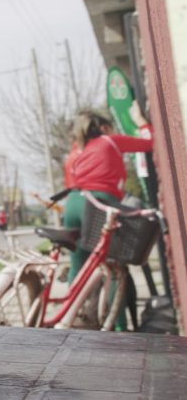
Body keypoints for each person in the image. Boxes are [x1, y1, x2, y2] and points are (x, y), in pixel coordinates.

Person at [62, 102, 154, 280]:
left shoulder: (78, 151)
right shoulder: (109, 140)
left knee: (77, 262)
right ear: (104, 128)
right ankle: (116, 309)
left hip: (73, 202)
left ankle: (75, 307)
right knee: (109, 263)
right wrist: (141, 121)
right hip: (97, 201)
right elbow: (149, 144)